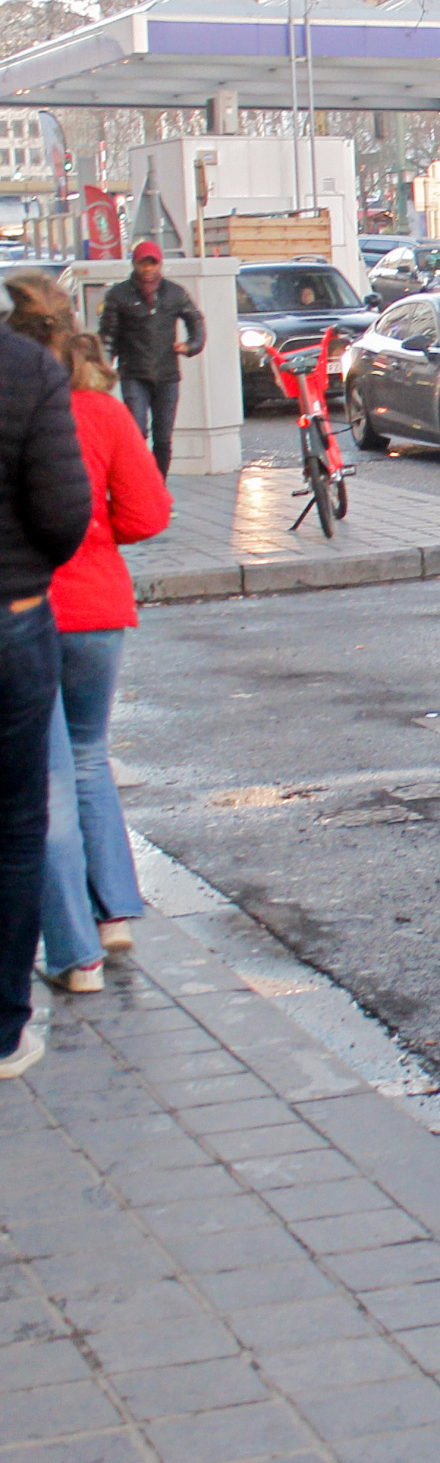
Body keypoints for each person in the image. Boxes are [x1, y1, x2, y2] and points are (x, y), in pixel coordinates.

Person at [21, 282, 169, 993]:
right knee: (87, 758)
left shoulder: (18, 407)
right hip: (99, 611)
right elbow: (147, 514)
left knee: (41, 778)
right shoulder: (106, 414)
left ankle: (73, 950)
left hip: (27, 611)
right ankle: (115, 912)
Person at [0, 271, 95, 1079]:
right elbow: (65, 514)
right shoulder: (27, 373)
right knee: (13, 821)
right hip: (10, 619)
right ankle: (2, 1028)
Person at [97, 241, 206, 473]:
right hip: (133, 373)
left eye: (152, 263)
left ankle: (159, 490)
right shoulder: (119, 295)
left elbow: (195, 320)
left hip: (167, 375)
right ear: (134, 264)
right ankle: (139, 488)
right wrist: (104, 367)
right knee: (137, 434)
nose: (148, 270)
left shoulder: (174, 293)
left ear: (160, 264)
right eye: (142, 264)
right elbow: (107, 335)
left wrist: (191, 346)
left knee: (164, 437)